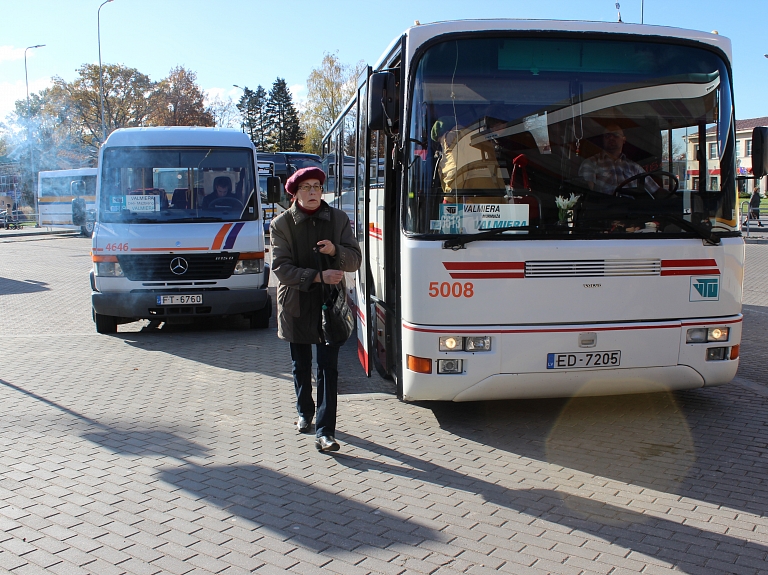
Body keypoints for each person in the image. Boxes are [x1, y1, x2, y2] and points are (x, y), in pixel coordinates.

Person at [270, 167, 362, 453]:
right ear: (295, 193)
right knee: (301, 366)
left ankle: (325, 431)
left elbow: (355, 259)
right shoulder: (281, 224)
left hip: (329, 304)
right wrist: (317, 276)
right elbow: (280, 268)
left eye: (317, 187)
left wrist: (336, 251)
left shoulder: (339, 219)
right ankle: (304, 411)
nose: (312, 192)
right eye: (306, 188)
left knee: (328, 369)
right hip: (296, 304)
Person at [578, 123, 659, 195]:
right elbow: (588, 196)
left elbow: (656, 190)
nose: (611, 138)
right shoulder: (590, 163)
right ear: (603, 139)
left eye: (615, 135)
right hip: (604, 210)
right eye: (607, 135)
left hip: (632, 209)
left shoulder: (634, 167)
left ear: (624, 139)